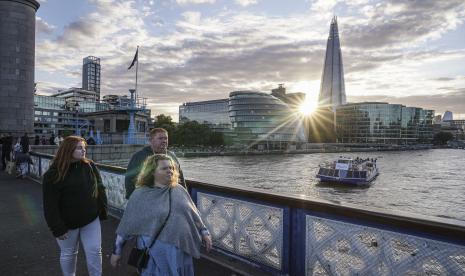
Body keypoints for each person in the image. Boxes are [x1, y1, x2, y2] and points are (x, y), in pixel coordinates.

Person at [110, 154, 212, 275]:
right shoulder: (140, 195)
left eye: (172, 168)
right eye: (164, 168)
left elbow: (193, 213)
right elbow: (127, 226)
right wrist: (116, 252)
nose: (170, 171)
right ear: (152, 172)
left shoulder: (179, 190)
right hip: (156, 253)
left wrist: (204, 232)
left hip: (180, 249)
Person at [42, 136, 108, 276]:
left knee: (95, 251)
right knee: (69, 253)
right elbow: (50, 205)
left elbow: (100, 187)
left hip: (90, 219)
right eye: (79, 147)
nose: (83, 150)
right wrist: (57, 228)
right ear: (68, 149)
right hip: (67, 223)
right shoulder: (53, 174)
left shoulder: (89, 165)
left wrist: (102, 209)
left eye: (84, 147)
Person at [125, 128, 186, 199]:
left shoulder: (172, 156)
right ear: (151, 141)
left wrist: (185, 194)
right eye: (160, 138)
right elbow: (130, 179)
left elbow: (180, 177)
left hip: (171, 197)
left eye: (166, 138)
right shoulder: (139, 157)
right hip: (148, 198)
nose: (164, 141)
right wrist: (132, 197)